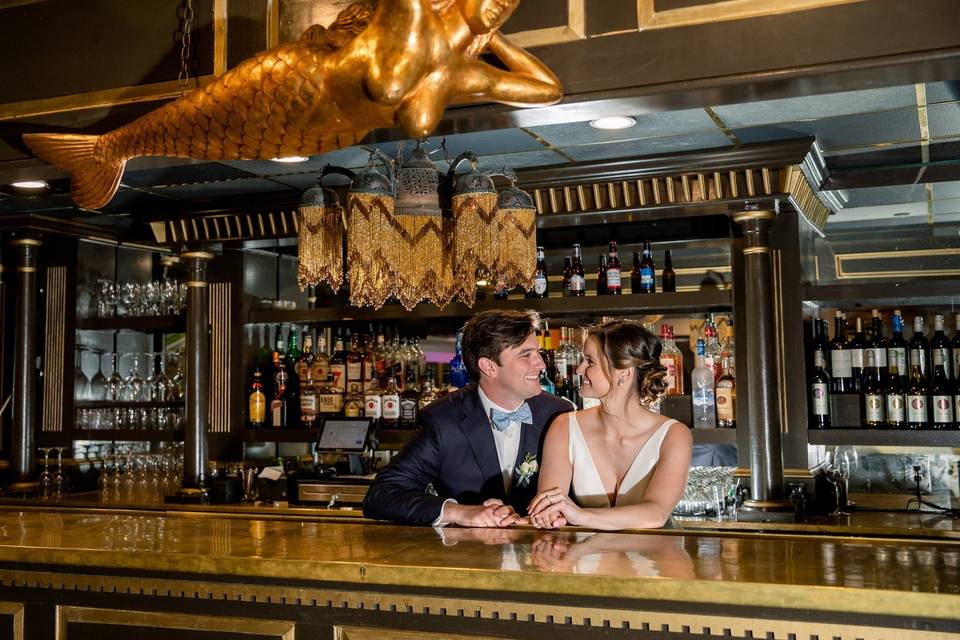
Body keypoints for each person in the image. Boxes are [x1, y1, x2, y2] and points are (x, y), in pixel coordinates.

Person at [24, 0, 562, 210]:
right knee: (205, 117)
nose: (500, 4)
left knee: (215, 131)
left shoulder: (459, 70)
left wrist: (490, 35)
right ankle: (109, 147)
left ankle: (109, 149)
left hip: (316, 133)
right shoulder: (408, 13)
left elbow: (548, 90)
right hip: (293, 85)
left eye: (507, 3)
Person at [363, 310, 573, 526]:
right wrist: (460, 513)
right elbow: (381, 495)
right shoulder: (443, 419)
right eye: (526, 355)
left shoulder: (559, 413)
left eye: (537, 353)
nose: (540, 364)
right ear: (488, 367)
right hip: (470, 555)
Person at [528, 320, 692, 530]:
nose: (579, 369)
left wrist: (580, 516)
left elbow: (656, 514)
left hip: (651, 559)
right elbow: (550, 504)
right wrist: (550, 516)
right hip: (585, 558)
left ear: (624, 371)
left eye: (590, 361)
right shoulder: (564, 427)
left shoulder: (674, 435)